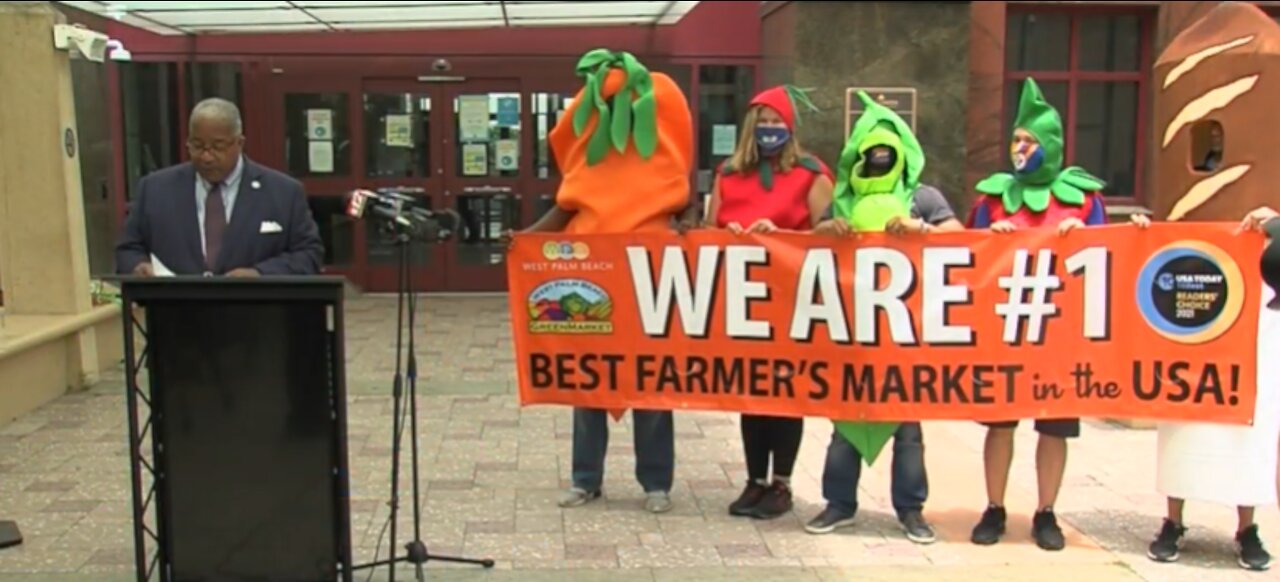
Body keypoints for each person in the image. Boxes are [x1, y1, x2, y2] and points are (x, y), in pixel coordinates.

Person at [505, 49, 696, 514]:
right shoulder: (589, 156)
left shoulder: (664, 155)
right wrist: (525, 239)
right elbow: (569, 204)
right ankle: (584, 478)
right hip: (588, 273)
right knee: (586, 379)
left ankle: (656, 483)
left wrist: (688, 228)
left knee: (652, 381)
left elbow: (684, 202)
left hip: (649, 278)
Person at [965, 77, 1117, 551]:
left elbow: (1109, 259)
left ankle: (1046, 512)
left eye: (1029, 140)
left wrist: (1084, 235)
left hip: (1061, 333)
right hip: (1004, 329)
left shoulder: (1084, 199)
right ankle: (994, 507)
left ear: (1049, 145)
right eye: (1015, 139)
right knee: (1000, 424)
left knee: (1054, 426)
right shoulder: (991, 199)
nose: (1020, 147)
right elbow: (966, 260)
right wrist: (993, 236)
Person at [804, 90, 962, 544]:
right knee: (845, 420)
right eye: (871, 149)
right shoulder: (844, 198)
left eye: (887, 150)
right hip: (851, 328)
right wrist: (828, 229)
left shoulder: (922, 197)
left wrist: (922, 230)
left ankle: (911, 510)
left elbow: (961, 237)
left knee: (908, 426)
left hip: (907, 332)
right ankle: (839, 504)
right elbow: (808, 243)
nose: (878, 156)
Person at [702, 85, 833, 519]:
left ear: (790, 127)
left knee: (784, 392)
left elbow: (829, 235)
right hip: (741, 299)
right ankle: (754, 480)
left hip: (791, 300)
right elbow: (709, 229)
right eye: (763, 123)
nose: (769, 130)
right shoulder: (728, 173)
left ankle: (783, 483)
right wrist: (728, 235)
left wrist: (780, 237)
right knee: (751, 391)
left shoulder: (811, 174)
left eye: (777, 123)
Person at [1132, 205, 1279, 571]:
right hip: (1196, 327)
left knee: (1251, 431)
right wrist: (1141, 236)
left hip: (1259, 331)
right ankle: (1173, 521)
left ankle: (1247, 528)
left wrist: (1275, 223)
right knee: (1184, 429)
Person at [116, 98, 323, 277]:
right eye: (197, 146)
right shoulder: (155, 189)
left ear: (239, 143)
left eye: (217, 147)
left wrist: (261, 274)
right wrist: (138, 266)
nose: (206, 156)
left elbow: (308, 255)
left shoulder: (284, 192)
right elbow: (128, 249)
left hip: (257, 317)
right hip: (175, 316)